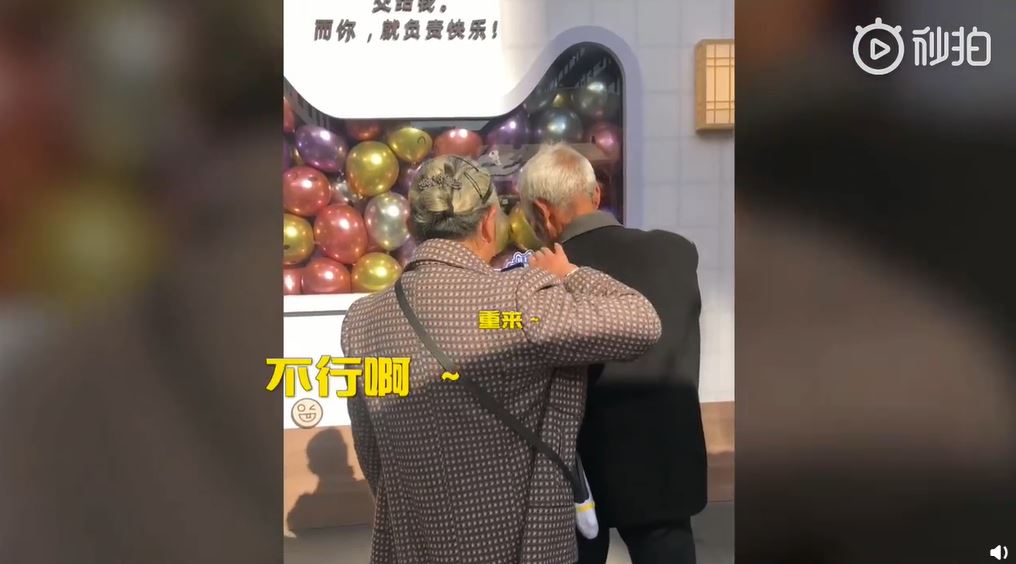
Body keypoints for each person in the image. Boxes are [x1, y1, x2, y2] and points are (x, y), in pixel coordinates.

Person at [340, 155, 663, 564]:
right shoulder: (515, 303)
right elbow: (642, 322)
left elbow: (371, 447)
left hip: (414, 541)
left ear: (411, 225)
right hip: (518, 540)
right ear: (490, 223)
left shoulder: (362, 320)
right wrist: (570, 275)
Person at [517, 144, 707, 564]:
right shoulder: (677, 251)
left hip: (581, 473)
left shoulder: (538, 276)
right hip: (667, 461)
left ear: (542, 212)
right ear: (596, 194)